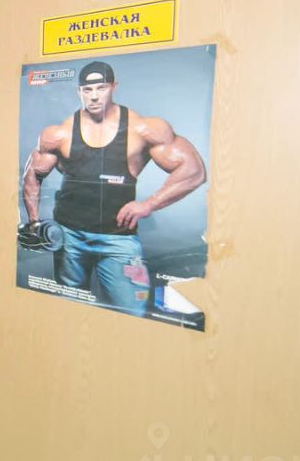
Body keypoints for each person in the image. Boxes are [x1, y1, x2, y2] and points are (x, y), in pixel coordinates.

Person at [20, 60, 206, 315]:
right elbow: (32, 174)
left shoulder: (143, 129)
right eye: (88, 90)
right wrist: (34, 222)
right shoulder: (59, 134)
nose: (94, 96)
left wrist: (149, 204)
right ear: (79, 91)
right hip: (69, 236)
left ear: (113, 87)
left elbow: (194, 170)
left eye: (101, 88)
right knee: (68, 307)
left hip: (118, 239)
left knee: (133, 311)